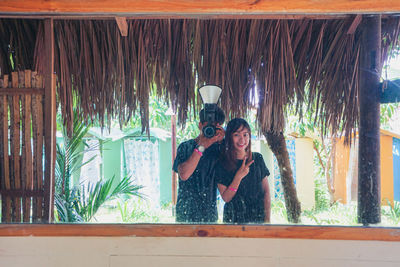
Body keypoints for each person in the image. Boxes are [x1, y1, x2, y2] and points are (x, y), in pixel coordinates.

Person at [172, 107, 225, 223]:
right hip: (185, 214)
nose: (211, 131)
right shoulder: (186, 147)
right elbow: (184, 174)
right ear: (200, 125)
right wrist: (202, 146)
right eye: (208, 126)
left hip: (209, 216)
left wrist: (224, 142)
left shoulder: (221, 149)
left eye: (215, 128)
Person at [215, 118, 271, 224]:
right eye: (237, 135)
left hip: (257, 220)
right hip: (233, 221)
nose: (242, 140)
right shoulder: (222, 163)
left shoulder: (257, 159)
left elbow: (266, 192)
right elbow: (226, 198)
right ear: (229, 137)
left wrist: (267, 221)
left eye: (245, 135)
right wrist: (238, 177)